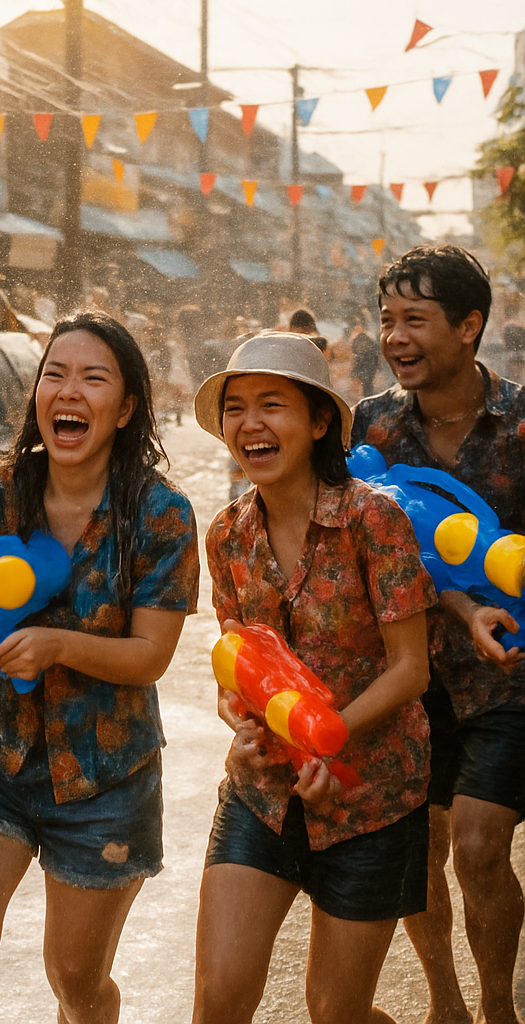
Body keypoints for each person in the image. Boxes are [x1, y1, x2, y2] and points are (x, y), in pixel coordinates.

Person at [0, 310, 200, 1024]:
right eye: (55, 374)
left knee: (77, 982)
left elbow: (150, 656)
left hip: (106, 779)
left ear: (125, 408)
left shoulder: (160, 513)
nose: (69, 391)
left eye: (93, 378)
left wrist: (57, 646)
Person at [191, 331, 434, 1024]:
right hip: (263, 795)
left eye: (273, 405)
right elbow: (236, 667)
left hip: (373, 801)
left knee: (335, 1013)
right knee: (218, 1001)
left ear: (319, 420)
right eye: (236, 408)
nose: (251, 424)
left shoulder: (373, 519)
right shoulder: (227, 535)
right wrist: (238, 721)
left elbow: (411, 669)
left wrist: (330, 737)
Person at [352, 244, 525, 1024]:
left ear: (468, 325)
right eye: (387, 319)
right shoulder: (372, 425)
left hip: (510, 676)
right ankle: (445, 1002)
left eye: (414, 320)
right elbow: (365, 553)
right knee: (418, 846)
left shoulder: (521, 423)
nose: (395, 337)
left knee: (480, 847)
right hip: (408, 673)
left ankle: (498, 1008)